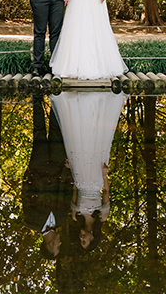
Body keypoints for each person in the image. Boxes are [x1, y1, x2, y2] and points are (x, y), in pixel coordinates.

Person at [49, 91, 126, 250]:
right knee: (95, 142)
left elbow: (75, 188)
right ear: (93, 237)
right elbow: (105, 193)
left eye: (80, 240)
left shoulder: (75, 215)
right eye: (84, 241)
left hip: (80, 174)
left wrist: (72, 168)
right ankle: (95, 107)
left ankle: (80, 107)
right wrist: (105, 175)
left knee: (80, 140)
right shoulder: (102, 216)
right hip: (97, 177)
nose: (81, 238)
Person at [21, 95, 73, 260]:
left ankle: (36, 97)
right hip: (58, 167)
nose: (60, 242)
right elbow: (67, 192)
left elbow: (26, 196)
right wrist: (67, 171)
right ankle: (55, 97)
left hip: (39, 169)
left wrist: (29, 174)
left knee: (39, 132)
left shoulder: (31, 222)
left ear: (49, 245)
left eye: (58, 246)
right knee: (57, 131)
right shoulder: (62, 218)